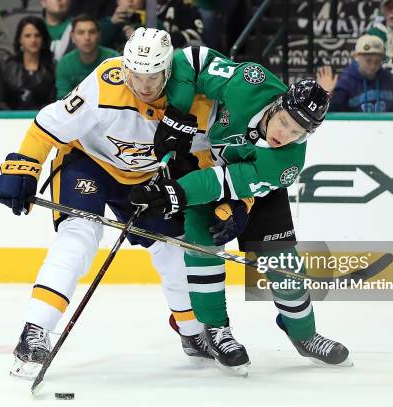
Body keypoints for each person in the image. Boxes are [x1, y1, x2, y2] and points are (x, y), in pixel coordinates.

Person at [0, 28, 215, 379]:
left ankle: (191, 332)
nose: (143, 85)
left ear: (168, 72)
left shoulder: (196, 101)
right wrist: (24, 165)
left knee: (173, 248)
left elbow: (205, 158)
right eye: (136, 74)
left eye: (152, 76)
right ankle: (35, 330)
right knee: (79, 236)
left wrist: (209, 201)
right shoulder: (106, 81)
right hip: (87, 161)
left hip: (145, 178)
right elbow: (46, 126)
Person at [130, 46, 351, 375]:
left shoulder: (287, 163)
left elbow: (225, 183)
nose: (284, 135)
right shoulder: (251, 82)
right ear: (278, 104)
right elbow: (188, 60)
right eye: (285, 122)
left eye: (298, 132)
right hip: (201, 164)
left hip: (234, 184)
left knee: (282, 263)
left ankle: (304, 335)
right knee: (201, 246)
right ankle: (217, 330)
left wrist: (177, 193)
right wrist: (176, 113)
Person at [323, 34, 393, 112]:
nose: (373, 66)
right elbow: (335, 114)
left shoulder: (389, 79)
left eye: (377, 61)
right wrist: (327, 96)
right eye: (368, 61)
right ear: (356, 57)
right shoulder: (345, 81)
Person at [0, 16, 56, 110]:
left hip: (42, 120)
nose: (33, 40)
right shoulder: (8, 66)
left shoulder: (53, 67)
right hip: (10, 120)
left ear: (43, 38)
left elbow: (53, 102)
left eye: (37, 35)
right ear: (20, 39)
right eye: (28, 36)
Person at [55, 14, 119, 100]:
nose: (87, 37)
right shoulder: (65, 63)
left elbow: (117, 95)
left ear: (99, 35)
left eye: (92, 32)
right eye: (81, 33)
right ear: (72, 37)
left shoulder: (113, 59)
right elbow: (63, 99)